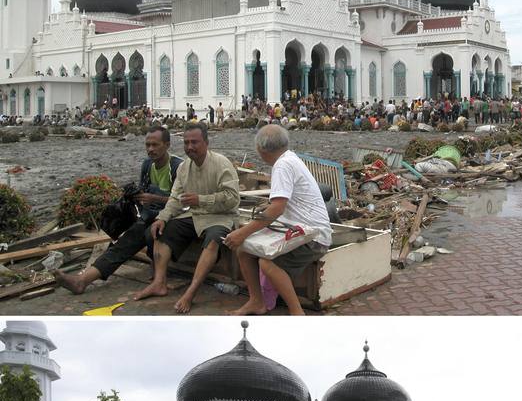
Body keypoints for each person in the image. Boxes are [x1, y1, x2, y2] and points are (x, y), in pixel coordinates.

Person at [54, 128, 182, 294]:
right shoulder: (147, 165)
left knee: (146, 234)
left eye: (155, 145)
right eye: (148, 145)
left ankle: (158, 272)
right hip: (151, 216)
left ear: (167, 145)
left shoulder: (178, 167)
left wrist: (155, 198)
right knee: (123, 243)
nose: (151, 149)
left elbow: (182, 202)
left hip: (173, 217)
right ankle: (82, 280)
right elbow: (143, 194)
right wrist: (134, 196)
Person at [224, 125, 332, 316]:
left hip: (314, 236)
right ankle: (256, 301)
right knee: (244, 251)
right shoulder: (289, 158)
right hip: (300, 228)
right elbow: (278, 204)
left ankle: (297, 312)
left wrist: (242, 232)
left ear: (261, 150)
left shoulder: (282, 165)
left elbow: (276, 209)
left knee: (267, 263)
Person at [134, 123, 240, 313]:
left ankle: (191, 292)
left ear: (206, 143)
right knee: (161, 231)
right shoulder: (184, 168)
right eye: (186, 142)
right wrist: (163, 218)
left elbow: (232, 199)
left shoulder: (222, 163)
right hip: (195, 215)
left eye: (195, 142)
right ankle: (159, 283)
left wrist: (202, 199)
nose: (190, 147)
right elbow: (176, 198)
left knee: (213, 241)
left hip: (221, 217)